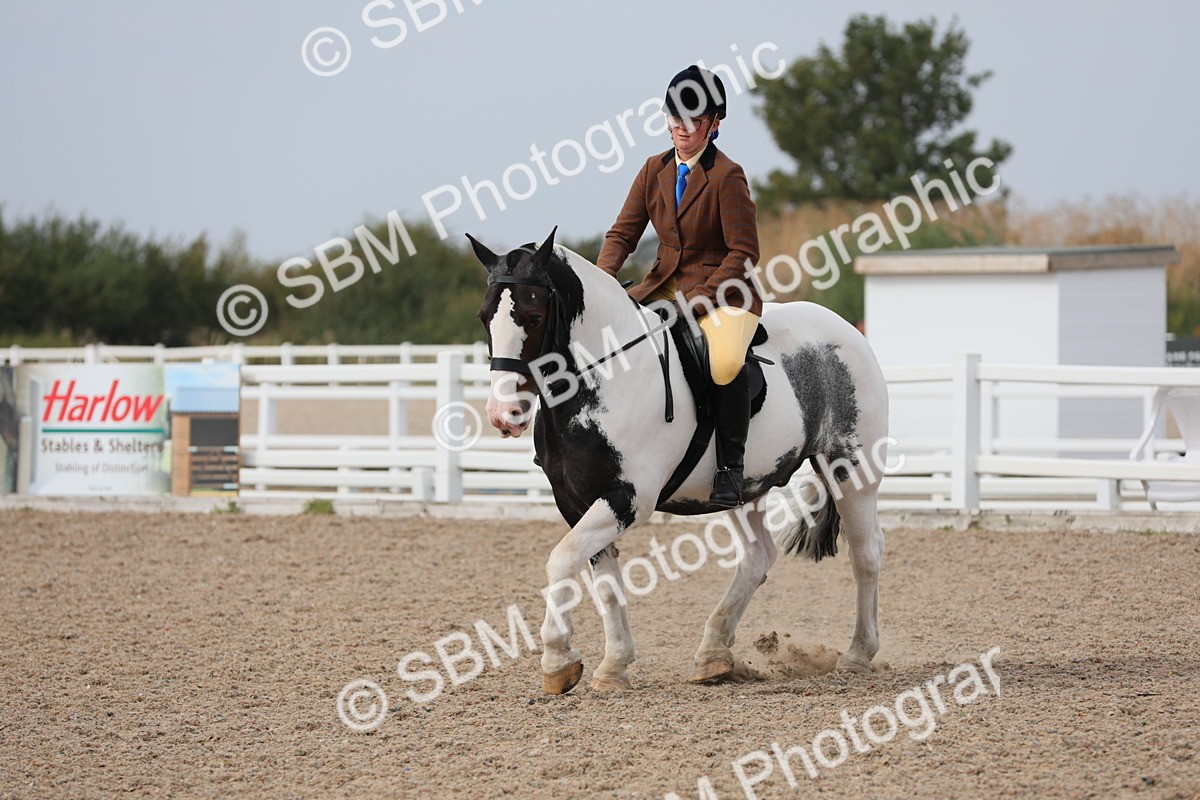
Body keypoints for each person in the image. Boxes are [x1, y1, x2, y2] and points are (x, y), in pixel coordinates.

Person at [597, 65, 762, 508]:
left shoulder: (728, 176)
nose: (681, 128)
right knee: (607, 341)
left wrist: (701, 298)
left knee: (725, 363)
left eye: (692, 120)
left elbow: (743, 252)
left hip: (726, 293)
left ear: (714, 124)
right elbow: (622, 235)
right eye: (674, 118)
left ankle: (730, 468)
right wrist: (602, 281)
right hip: (664, 286)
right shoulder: (654, 170)